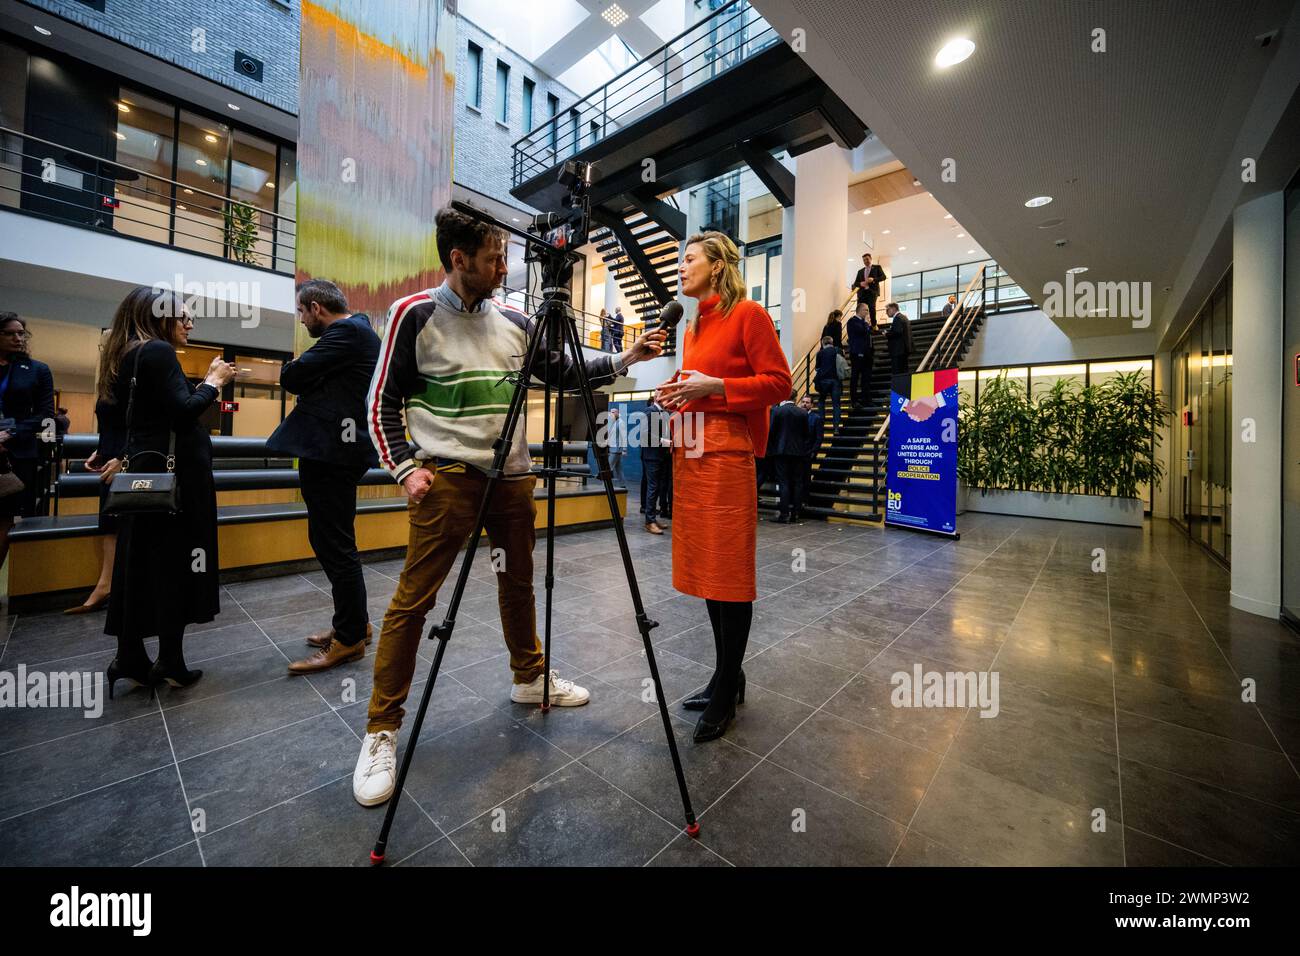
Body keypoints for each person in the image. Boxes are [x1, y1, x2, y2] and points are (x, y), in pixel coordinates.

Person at [355, 206, 666, 806]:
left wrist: (625, 359)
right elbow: (380, 403)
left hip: (513, 479)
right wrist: (404, 468)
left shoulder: (517, 320)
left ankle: (529, 678)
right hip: (446, 476)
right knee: (414, 602)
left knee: (518, 583)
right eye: (493, 259)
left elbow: (560, 369)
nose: (504, 268)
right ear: (458, 260)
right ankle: (380, 730)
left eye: (506, 257)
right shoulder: (413, 314)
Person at [656, 230, 790, 743]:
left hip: (728, 455)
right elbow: (698, 388)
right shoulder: (692, 326)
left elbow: (780, 383)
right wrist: (676, 395)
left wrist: (715, 388)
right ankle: (725, 675)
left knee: (729, 574)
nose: (680, 266)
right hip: (692, 453)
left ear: (716, 266)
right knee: (709, 573)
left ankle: (728, 686)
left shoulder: (748, 315)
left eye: (688, 259)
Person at [101, 287, 237, 697]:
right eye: (182, 317)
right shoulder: (158, 353)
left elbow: (117, 413)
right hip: (177, 479)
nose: (190, 323)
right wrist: (213, 381)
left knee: (141, 562)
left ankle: (131, 657)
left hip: (143, 475)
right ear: (158, 317)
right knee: (177, 563)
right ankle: (171, 660)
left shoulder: (124, 353)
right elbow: (183, 412)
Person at [268, 279, 382, 674]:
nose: (301, 320)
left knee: (334, 543)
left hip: (334, 453)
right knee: (333, 539)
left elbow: (292, 377)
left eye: (301, 312)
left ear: (317, 308)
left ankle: (348, 640)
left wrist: (305, 373)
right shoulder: (356, 334)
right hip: (334, 451)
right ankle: (355, 624)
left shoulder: (348, 331)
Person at [0, 313, 55, 577]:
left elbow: (45, 413)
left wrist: (10, 433)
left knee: (6, 519)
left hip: (16, 451)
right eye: (10, 333)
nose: (18, 338)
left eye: (22, 334)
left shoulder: (37, 370)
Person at [66, 386, 126, 614]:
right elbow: (111, 424)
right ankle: (107, 585)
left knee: (122, 523)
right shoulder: (114, 377)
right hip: (111, 458)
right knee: (109, 525)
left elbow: (147, 423)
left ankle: (111, 586)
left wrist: (123, 456)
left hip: (128, 459)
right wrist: (101, 450)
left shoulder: (142, 364)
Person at [766, 391, 809, 523]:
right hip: (799, 452)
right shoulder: (803, 413)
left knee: (783, 482)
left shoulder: (777, 411)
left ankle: (784, 514)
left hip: (781, 451)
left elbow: (771, 432)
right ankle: (796, 513)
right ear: (796, 398)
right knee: (797, 482)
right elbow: (806, 433)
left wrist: (772, 449)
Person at [641, 398, 671, 534]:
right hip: (652, 456)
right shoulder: (649, 411)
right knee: (653, 488)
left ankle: (653, 518)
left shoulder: (664, 413)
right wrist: (663, 441)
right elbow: (644, 435)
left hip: (661, 456)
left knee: (657, 488)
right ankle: (649, 522)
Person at [845, 308, 876, 409]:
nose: (868, 312)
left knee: (866, 378)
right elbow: (862, 331)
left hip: (868, 354)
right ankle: (854, 401)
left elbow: (868, 334)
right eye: (866, 310)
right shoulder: (852, 321)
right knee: (855, 378)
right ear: (860, 311)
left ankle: (866, 400)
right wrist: (867, 323)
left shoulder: (864, 323)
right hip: (857, 354)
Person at [799, 393, 823, 512]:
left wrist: (813, 452)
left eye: (807, 402)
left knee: (805, 478)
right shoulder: (797, 416)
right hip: (796, 453)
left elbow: (819, 438)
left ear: (811, 405)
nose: (804, 404)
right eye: (803, 402)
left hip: (807, 453)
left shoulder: (816, 418)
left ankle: (805, 500)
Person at [814, 335, 842, 429]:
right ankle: (836, 427)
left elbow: (817, 368)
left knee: (821, 401)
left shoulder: (820, 353)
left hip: (823, 381)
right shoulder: (838, 350)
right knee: (836, 404)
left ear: (823, 343)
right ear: (832, 342)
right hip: (835, 380)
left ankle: (821, 424)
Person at [851, 252, 887, 324]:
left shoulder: (877, 267)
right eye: (864, 260)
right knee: (860, 309)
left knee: (871, 307)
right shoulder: (860, 271)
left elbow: (884, 277)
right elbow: (856, 283)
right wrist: (861, 283)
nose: (865, 261)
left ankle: (874, 325)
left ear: (870, 259)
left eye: (867, 259)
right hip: (862, 293)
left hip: (872, 292)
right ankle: (860, 324)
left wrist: (873, 279)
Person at [885, 302, 914, 375]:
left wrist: (887, 334)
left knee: (897, 372)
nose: (886, 312)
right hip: (904, 349)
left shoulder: (897, 318)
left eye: (888, 310)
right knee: (903, 371)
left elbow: (897, 332)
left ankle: (898, 386)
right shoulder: (904, 317)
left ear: (893, 309)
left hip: (898, 350)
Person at [606, 406, 627, 486]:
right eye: (611, 412)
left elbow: (624, 436)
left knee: (608, 467)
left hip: (616, 450)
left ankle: (606, 486)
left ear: (617, 413)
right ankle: (622, 484)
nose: (612, 414)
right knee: (618, 468)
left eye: (614, 412)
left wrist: (624, 449)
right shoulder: (612, 422)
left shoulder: (621, 422)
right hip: (612, 448)